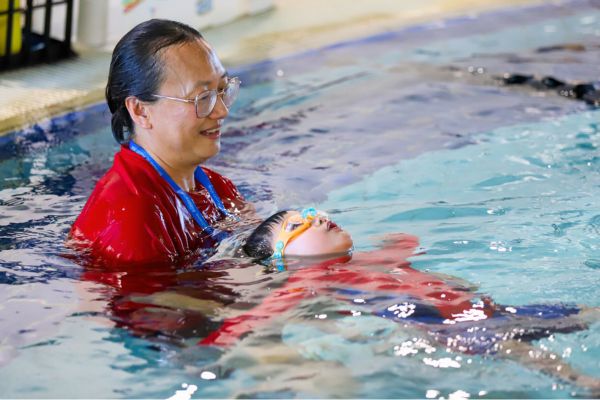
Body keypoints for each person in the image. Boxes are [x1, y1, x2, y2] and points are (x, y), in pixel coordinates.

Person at [201, 208, 600, 392]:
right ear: (283, 258)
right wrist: (216, 344)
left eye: (313, 212)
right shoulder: (310, 278)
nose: (318, 218)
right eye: (298, 224)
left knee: (580, 314)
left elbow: (408, 247)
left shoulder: (376, 258)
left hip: (483, 310)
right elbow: (260, 316)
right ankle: (584, 382)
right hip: (434, 322)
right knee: (511, 346)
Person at [69, 19, 248, 267]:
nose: (221, 111)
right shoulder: (131, 214)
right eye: (202, 97)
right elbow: (145, 305)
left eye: (222, 90)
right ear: (141, 111)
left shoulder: (217, 188)